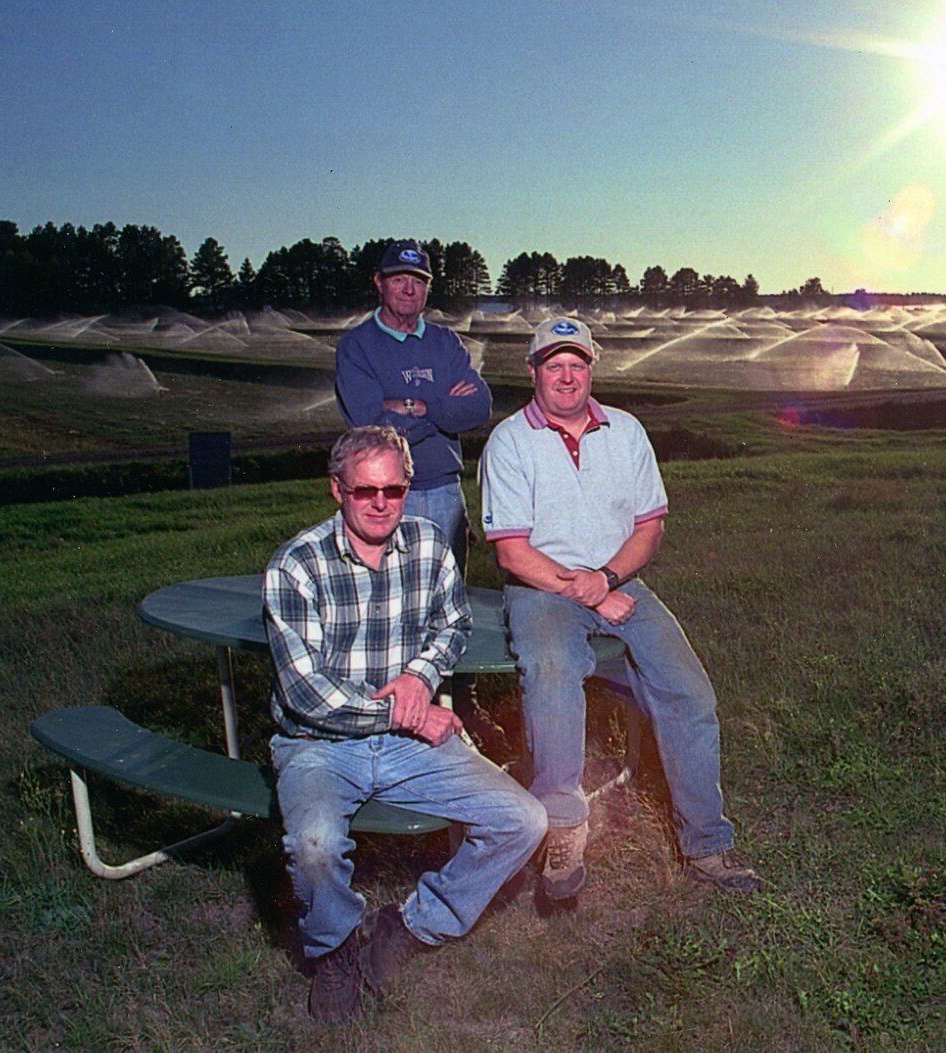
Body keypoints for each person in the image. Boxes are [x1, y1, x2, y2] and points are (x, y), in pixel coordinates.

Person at [265, 426, 546, 1023]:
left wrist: (421, 677)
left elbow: (453, 624)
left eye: (393, 490)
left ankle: (408, 926)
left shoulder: (427, 544)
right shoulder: (297, 565)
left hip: (408, 740)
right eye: (364, 490)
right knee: (315, 847)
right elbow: (305, 694)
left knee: (525, 819)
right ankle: (334, 949)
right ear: (336, 489)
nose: (379, 502)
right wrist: (405, 710)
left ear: (408, 488)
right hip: (319, 746)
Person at [478, 317, 762, 900]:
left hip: (620, 581)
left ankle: (707, 844)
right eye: (553, 365)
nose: (566, 376)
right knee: (553, 671)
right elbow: (512, 551)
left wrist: (607, 578)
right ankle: (563, 829)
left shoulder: (626, 431)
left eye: (576, 364)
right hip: (540, 589)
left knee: (689, 691)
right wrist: (585, 590)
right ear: (533, 372)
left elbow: (649, 529)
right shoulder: (509, 440)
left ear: (591, 370)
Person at [334, 240, 490, 570]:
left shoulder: (446, 342)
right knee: (384, 597)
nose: (409, 289)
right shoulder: (356, 346)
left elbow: (479, 407)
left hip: (443, 492)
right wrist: (445, 410)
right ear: (379, 282)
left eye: (418, 281)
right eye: (399, 279)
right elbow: (372, 426)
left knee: (446, 597)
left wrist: (414, 407)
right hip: (382, 496)